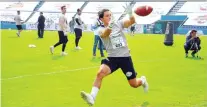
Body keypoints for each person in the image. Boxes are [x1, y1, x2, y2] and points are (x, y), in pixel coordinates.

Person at [80, 7, 149, 106]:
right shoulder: (100, 30)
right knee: (100, 73)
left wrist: (130, 13)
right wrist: (110, 26)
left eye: (110, 15)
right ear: (101, 19)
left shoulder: (119, 23)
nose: (109, 17)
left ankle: (142, 80)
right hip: (112, 58)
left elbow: (132, 22)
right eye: (107, 16)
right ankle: (92, 97)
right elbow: (106, 34)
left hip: (125, 57)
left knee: (133, 84)